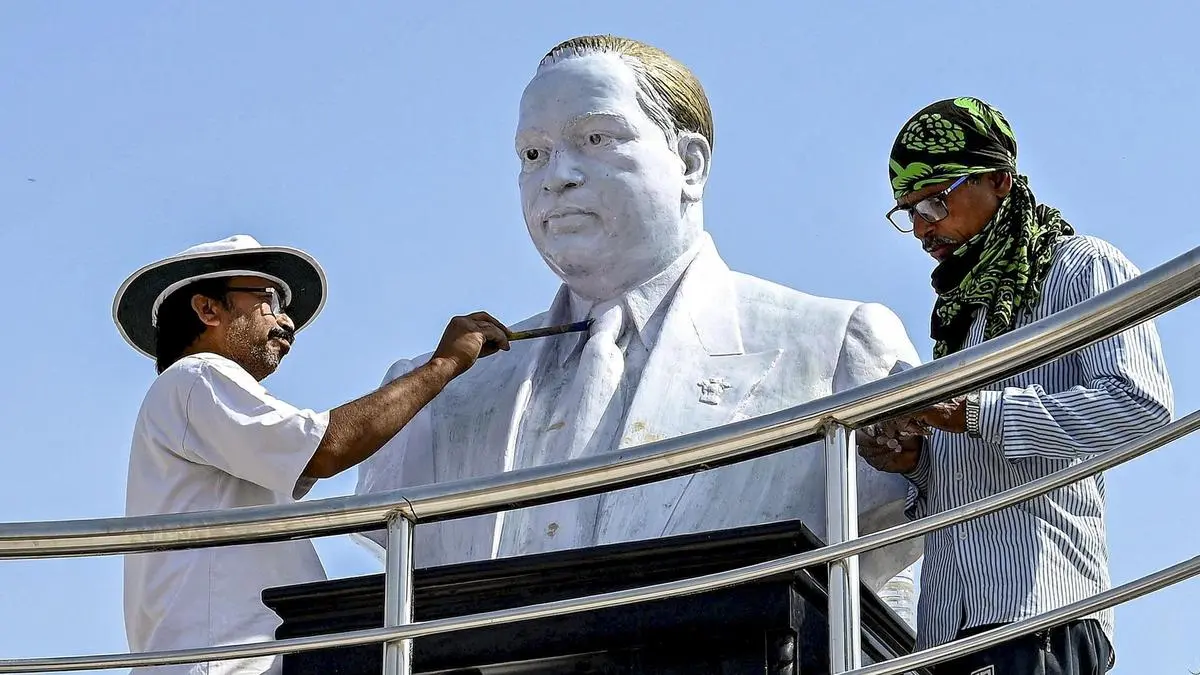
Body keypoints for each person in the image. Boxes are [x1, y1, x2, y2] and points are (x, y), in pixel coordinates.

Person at [354, 34, 924, 595]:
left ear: (690, 164)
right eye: (533, 154)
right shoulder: (443, 394)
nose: (556, 175)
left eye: (596, 138)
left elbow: (890, 577)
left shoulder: (835, 346)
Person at [859, 97, 1174, 674]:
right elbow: (971, 458)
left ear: (1000, 180)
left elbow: (1141, 405)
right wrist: (914, 460)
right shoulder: (964, 317)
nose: (922, 227)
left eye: (934, 198)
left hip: (1038, 606)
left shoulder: (1084, 266)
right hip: (945, 626)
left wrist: (974, 413)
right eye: (908, 210)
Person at [113, 234, 510, 675]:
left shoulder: (197, 401)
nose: (286, 323)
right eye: (268, 301)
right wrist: (443, 366)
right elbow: (325, 448)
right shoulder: (197, 376)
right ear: (209, 310)